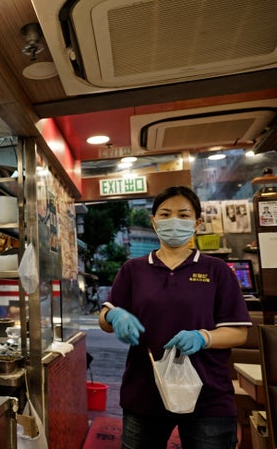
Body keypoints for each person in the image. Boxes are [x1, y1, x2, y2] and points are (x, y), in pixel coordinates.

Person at [98, 186, 251, 449]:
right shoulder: (132, 269)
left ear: (197, 222)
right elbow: (104, 319)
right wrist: (114, 315)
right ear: (154, 221)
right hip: (144, 392)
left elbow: (239, 332)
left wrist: (203, 337)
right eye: (165, 214)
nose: (173, 221)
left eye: (183, 214)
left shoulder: (216, 270)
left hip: (207, 395)